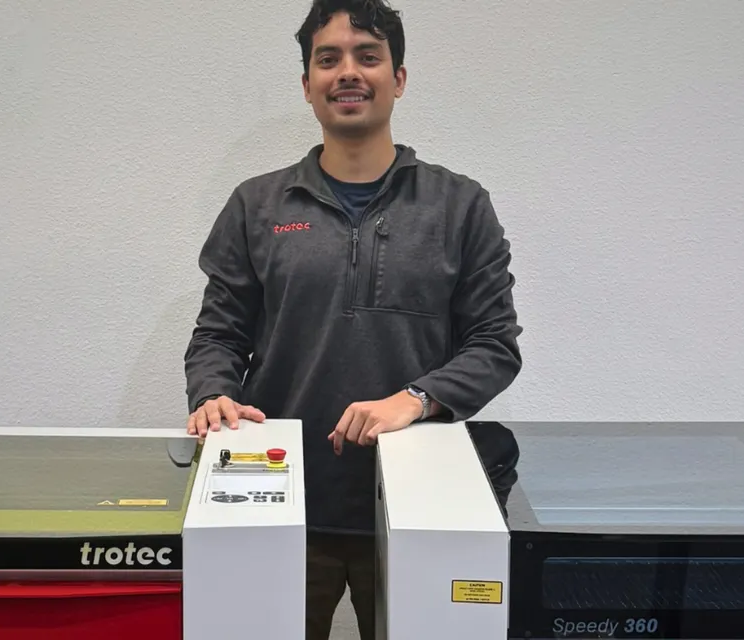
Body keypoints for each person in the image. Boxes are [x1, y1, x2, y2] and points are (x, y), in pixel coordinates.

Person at [183, 0, 522, 637]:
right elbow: (218, 333)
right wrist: (212, 394)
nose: (348, 73)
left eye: (368, 57)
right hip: (279, 500)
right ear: (307, 83)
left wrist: (415, 398)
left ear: (398, 78)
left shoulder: (460, 206)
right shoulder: (257, 205)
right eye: (328, 59)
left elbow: (494, 345)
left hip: (414, 504)